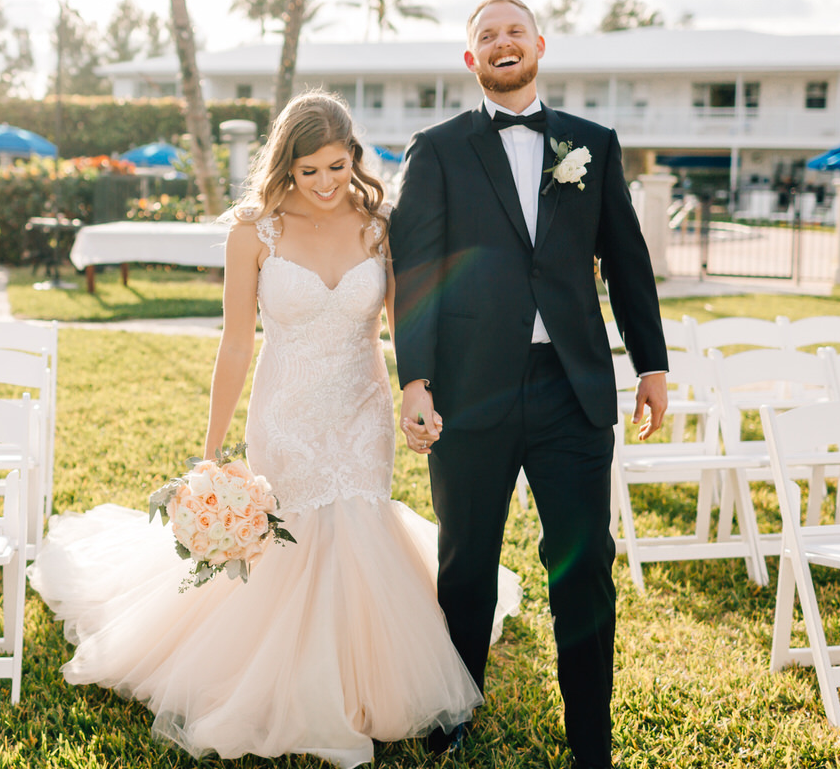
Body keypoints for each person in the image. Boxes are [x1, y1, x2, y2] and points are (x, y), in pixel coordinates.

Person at [28, 91, 519, 768]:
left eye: (337, 168)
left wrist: (417, 392)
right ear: (286, 163)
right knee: (290, 539)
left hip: (360, 407)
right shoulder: (252, 231)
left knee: (356, 528)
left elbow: (406, 323)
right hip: (285, 408)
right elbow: (235, 343)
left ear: (355, 160)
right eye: (309, 170)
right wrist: (211, 452)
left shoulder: (380, 226)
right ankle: (289, 685)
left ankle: (359, 682)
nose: (324, 184)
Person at [389, 0, 670, 769]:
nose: (503, 43)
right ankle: (451, 718)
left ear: (539, 45)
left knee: (583, 568)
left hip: (571, 390)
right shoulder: (437, 150)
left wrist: (650, 363)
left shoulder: (593, 144)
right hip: (468, 391)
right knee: (467, 563)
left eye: (515, 30)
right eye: (487, 36)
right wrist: (415, 380)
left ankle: (591, 743)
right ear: (471, 60)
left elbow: (628, 261)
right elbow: (415, 274)